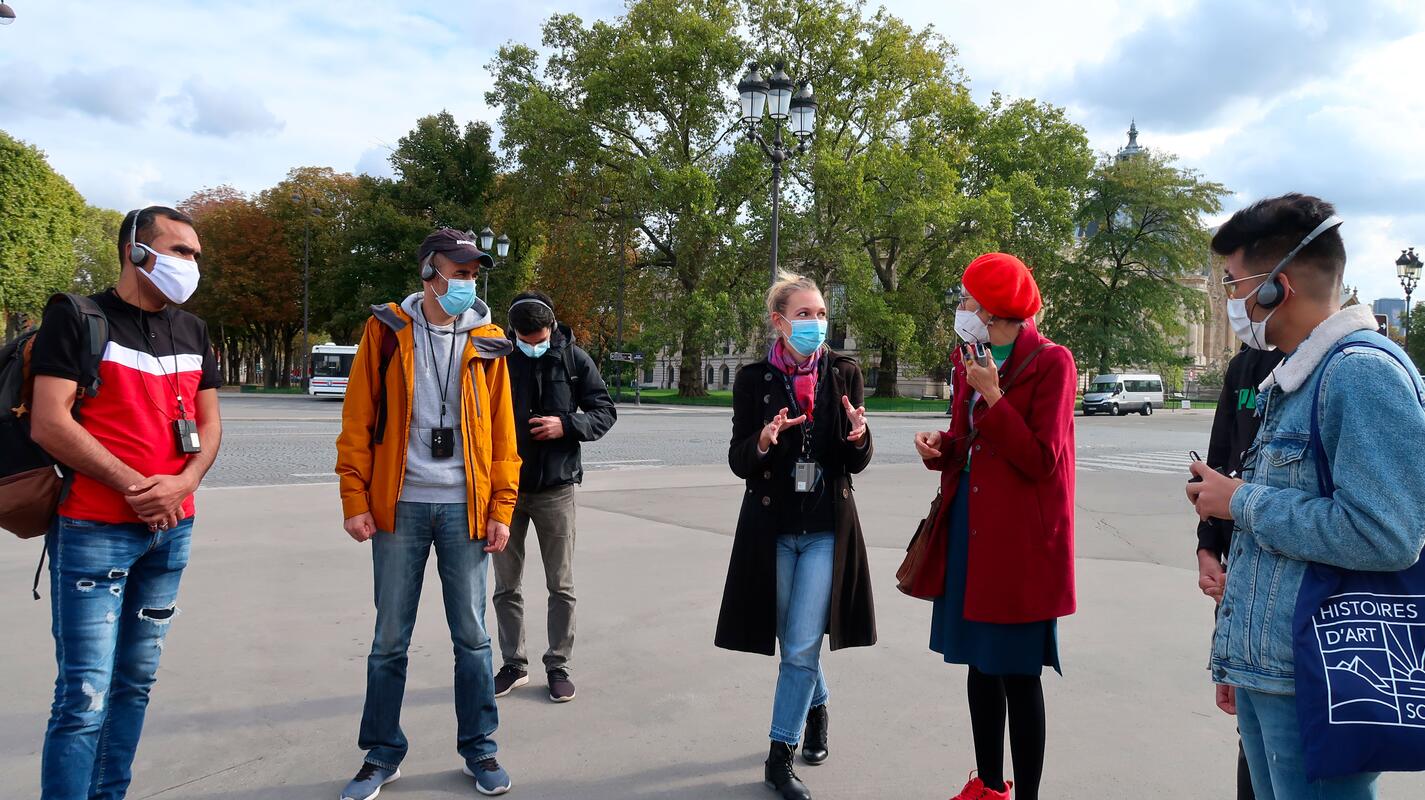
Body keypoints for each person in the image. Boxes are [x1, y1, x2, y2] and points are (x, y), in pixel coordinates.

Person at [1187, 194, 1425, 799]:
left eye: (1234, 283)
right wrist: (1235, 655)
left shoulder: (1361, 373)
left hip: (1317, 676)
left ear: (1277, 287)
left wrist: (1239, 502)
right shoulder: (1299, 373)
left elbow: (1387, 534)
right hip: (1273, 668)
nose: (1230, 301)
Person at [29, 206, 224, 800]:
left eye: (196, 254)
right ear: (136, 251)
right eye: (180, 250)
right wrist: (140, 489)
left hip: (174, 528)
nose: (192, 263)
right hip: (94, 529)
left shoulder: (193, 329)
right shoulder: (76, 316)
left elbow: (210, 425)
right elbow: (49, 422)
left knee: (136, 684)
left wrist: (184, 483)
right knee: (84, 696)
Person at [334, 228, 521, 799]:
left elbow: (504, 435)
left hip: (467, 508)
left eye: (473, 274)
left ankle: (480, 748)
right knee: (389, 638)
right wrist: (355, 498)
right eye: (458, 271)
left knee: (473, 638)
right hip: (400, 507)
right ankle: (380, 753)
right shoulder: (386, 330)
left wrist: (502, 507)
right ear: (428, 272)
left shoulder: (490, 342)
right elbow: (358, 420)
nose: (467, 282)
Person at [913, 252, 1076, 800]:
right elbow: (967, 438)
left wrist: (993, 394)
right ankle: (987, 785)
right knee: (980, 667)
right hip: (970, 529)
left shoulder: (1052, 362)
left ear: (992, 310)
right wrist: (941, 446)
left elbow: (1041, 459)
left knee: (1018, 674)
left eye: (967, 300)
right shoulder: (971, 358)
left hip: (1021, 543)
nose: (961, 308)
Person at [715, 270, 874, 800]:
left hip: (826, 528)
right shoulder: (753, 379)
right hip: (773, 529)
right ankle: (818, 706)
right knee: (793, 640)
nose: (816, 323)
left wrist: (859, 436)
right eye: (804, 314)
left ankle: (779, 756)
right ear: (779, 322)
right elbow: (739, 460)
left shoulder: (843, 373)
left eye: (821, 314)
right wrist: (762, 442)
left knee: (803, 644)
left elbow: (856, 460)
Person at [492, 291, 617, 703]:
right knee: (505, 585)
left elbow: (604, 412)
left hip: (556, 489)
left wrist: (567, 425)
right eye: (525, 340)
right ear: (513, 332)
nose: (533, 346)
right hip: (505, 489)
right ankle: (513, 664)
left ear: (552, 327)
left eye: (540, 339)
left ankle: (558, 664)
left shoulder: (574, 360)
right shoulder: (499, 359)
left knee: (560, 584)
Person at [1196, 344, 1283, 800]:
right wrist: (1208, 548)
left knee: (1290, 751)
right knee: (1251, 737)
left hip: (1289, 595)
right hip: (1237, 581)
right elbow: (1217, 463)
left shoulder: (1336, 366)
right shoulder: (1244, 366)